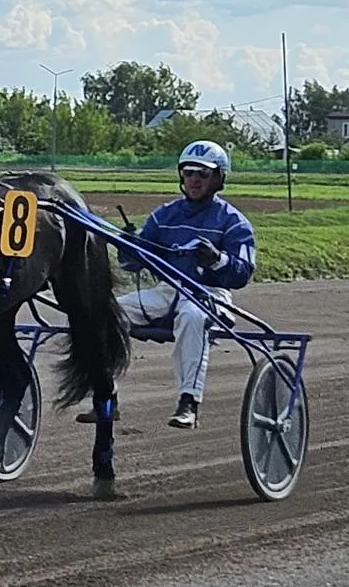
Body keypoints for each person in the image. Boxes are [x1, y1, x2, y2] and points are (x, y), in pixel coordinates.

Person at [108, 140, 257, 430]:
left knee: (192, 316)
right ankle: (106, 396)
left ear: (219, 178)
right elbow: (133, 264)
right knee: (108, 312)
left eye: (203, 174)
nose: (194, 180)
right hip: (166, 292)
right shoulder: (164, 215)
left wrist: (217, 260)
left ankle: (189, 403)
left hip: (209, 296)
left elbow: (242, 275)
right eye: (188, 173)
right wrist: (129, 246)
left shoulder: (234, 223)